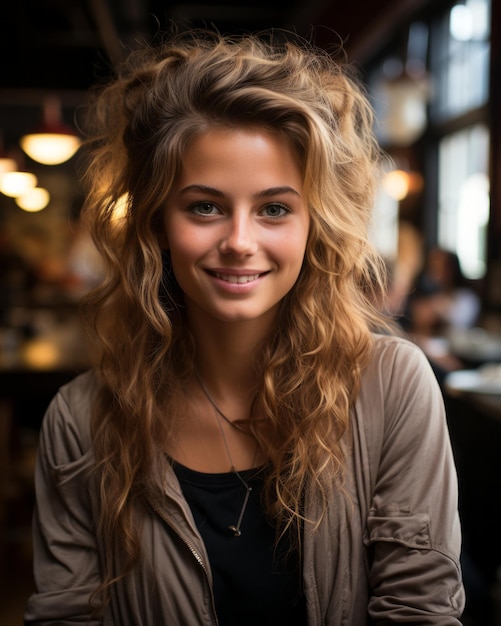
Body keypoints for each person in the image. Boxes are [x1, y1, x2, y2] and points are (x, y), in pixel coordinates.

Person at [25, 31, 464, 625]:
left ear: (316, 225)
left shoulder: (393, 387)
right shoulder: (80, 424)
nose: (238, 241)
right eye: (204, 206)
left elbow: (419, 610)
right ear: (156, 224)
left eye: (274, 209)